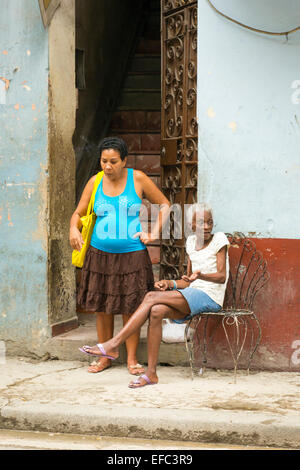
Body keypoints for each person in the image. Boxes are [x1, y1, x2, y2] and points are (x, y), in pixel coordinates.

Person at [79, 203, 230, 387]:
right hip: (192, 293)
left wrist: (202, 275)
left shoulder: (219, 240)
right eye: (200, 222)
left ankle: (114, 344)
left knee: (151, 297)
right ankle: (151, 374)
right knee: (157, 310)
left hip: (210, 296)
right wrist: (170, 283)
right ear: (191, 225)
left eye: (209, 222)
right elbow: (188, 282)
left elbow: (222, 277)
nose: (206, 226)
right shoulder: (191, 243)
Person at [70, 137, 170, 374]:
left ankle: (131, 359)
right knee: (102, 307)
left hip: (132, 255)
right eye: (104, 161)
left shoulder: (138, 179)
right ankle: (106, 355)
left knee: (131, 306)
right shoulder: (94, 182)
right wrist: (73, 228)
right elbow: (78, 213)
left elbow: (165, 204)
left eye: (113, 161)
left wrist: (153, 232)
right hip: (99, 254)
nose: (107, 166)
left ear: (124, 161)